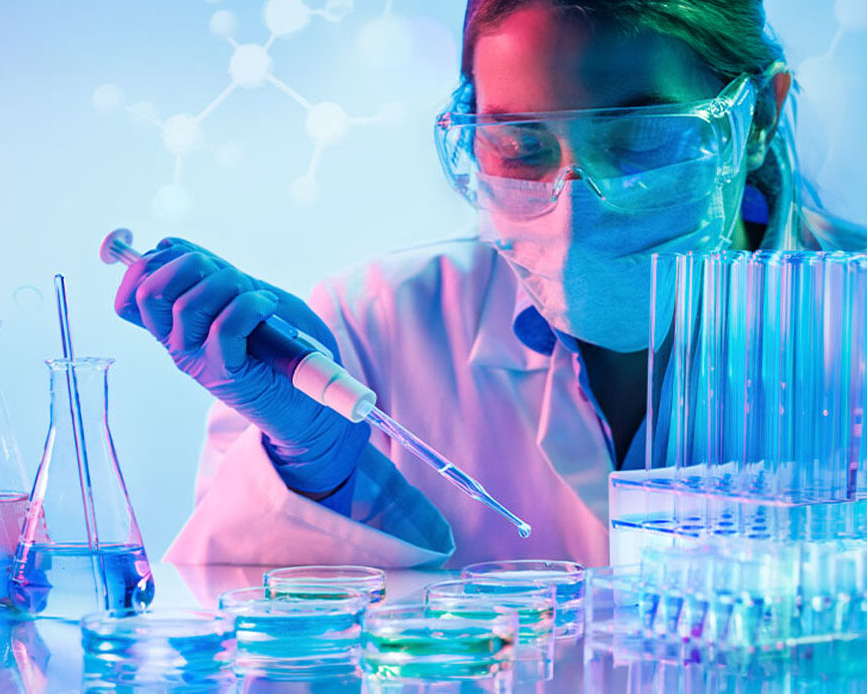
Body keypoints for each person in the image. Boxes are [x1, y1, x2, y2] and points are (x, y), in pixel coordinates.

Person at [114, 0, 863, 569]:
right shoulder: (370, 330)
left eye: (639, 136)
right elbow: (254, 647)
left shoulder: (851, 320)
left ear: (760, 112)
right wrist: (314, 463)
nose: (577, 197)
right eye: (519, 144)